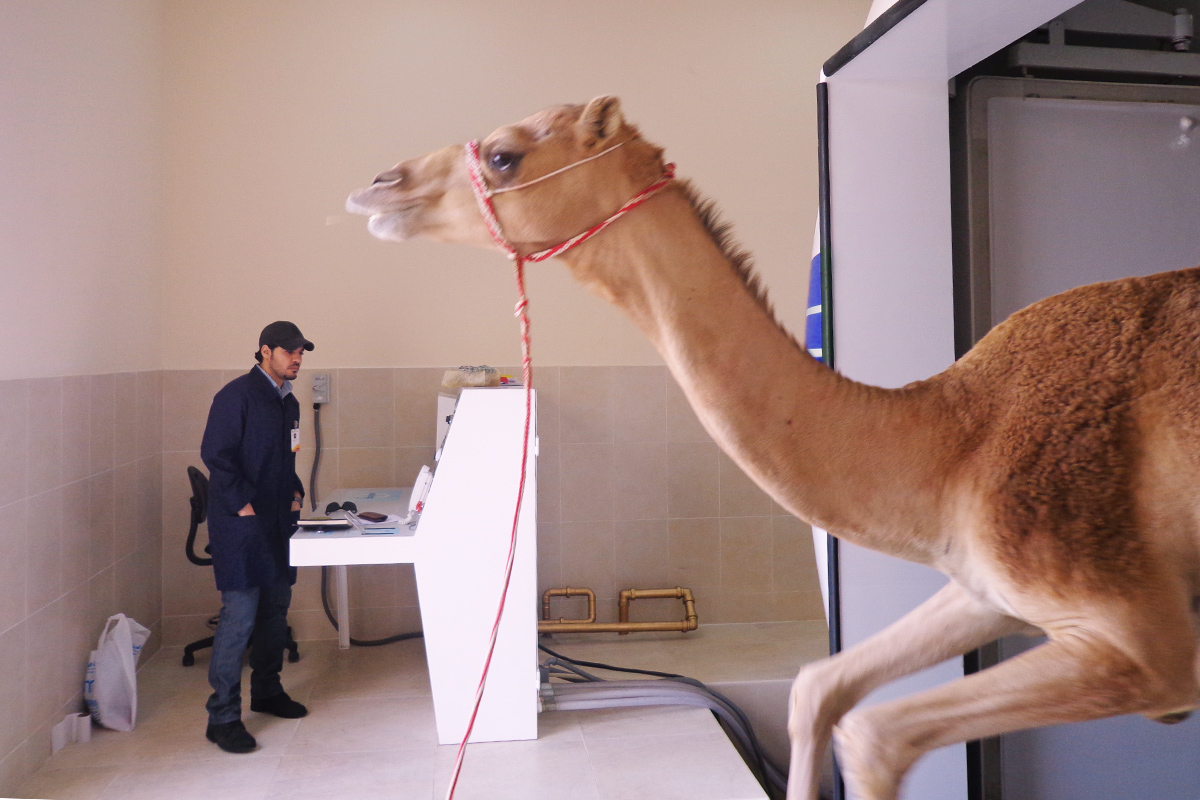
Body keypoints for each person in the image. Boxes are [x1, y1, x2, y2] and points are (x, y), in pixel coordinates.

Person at [199, 321, 314, 753]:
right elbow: (217, 455)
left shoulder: (289, 403)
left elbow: (288, 458)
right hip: (241, 522)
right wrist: (244, 504)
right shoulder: (236, 397)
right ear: (265, 351)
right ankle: (223, 717)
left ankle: (267, 691)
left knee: (275, 609)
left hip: (277, 522)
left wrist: (296, 492)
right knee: (240, 615)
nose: (297, 359)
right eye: (289, 352)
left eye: (301, 352)